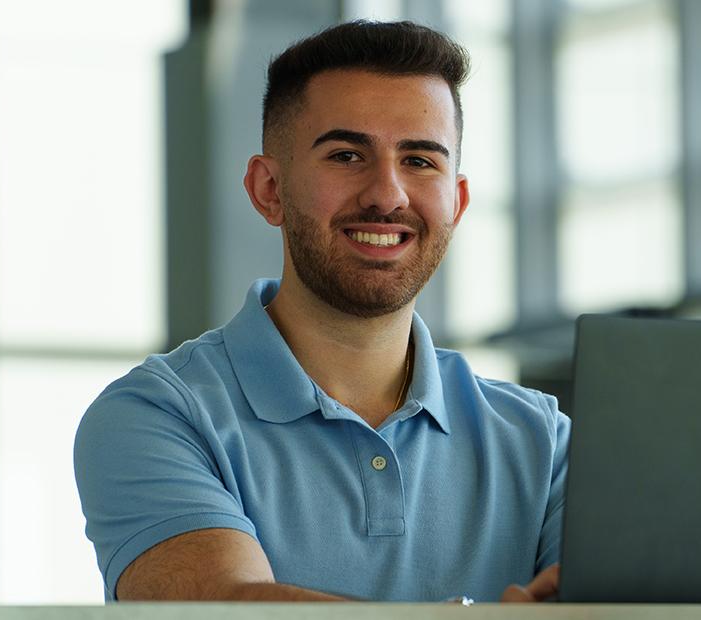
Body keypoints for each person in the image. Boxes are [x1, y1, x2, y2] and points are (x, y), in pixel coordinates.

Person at [73, 20, 568, 604]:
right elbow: (228, 608)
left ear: (456, 202)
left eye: (420, 161)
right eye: (346, 155)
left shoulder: (544, 440)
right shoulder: (157, 416)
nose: (388, 195)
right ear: (269, 190)